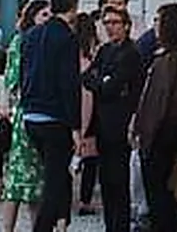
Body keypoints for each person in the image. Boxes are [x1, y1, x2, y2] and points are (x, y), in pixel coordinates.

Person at [19, 0, 83, 232]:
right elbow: (69, 83)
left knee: (56, 175)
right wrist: (76, 126)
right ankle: (45, 227)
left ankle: (61, 223)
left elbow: (25, 73)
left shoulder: (32, 35)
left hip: (31, 113)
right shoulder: (67, 37)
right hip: (55, 117)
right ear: (74, 6)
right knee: (55, 181)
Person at [132, 4, 177, 232]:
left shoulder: (167, 61)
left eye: (159, 21)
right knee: (162, 190)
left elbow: (157, 104)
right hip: (173, 133)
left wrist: (143, 136)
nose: (155, 26)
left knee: (157, 193)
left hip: (159, 134)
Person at [84, 4, 142, 232]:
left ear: (126, 26)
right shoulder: (104, 50)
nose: (110, 27)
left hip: (120, 124)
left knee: (118, 181)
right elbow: (87, 78)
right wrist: (103, 82)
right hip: (102, 123)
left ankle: (120, 226)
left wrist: (104, 83)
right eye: (106, 23)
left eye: (115, 23)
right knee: (106, 181)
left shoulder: (131, 53)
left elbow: (114, 86)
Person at [1, 0, 51, 232]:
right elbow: (13, 81)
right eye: (43, 15)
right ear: (32, 17)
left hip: (39, 112)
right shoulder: (21, 42)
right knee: (20, 174)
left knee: (36, 181)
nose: (48, 19)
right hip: (27, 113)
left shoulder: (46, 42)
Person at [74, 12, 101, 216]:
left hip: (68, 111)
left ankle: (66, 200)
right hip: (89, 112)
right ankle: (85, 200)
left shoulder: (67, 56)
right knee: (91, 159)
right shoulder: (91, 60)